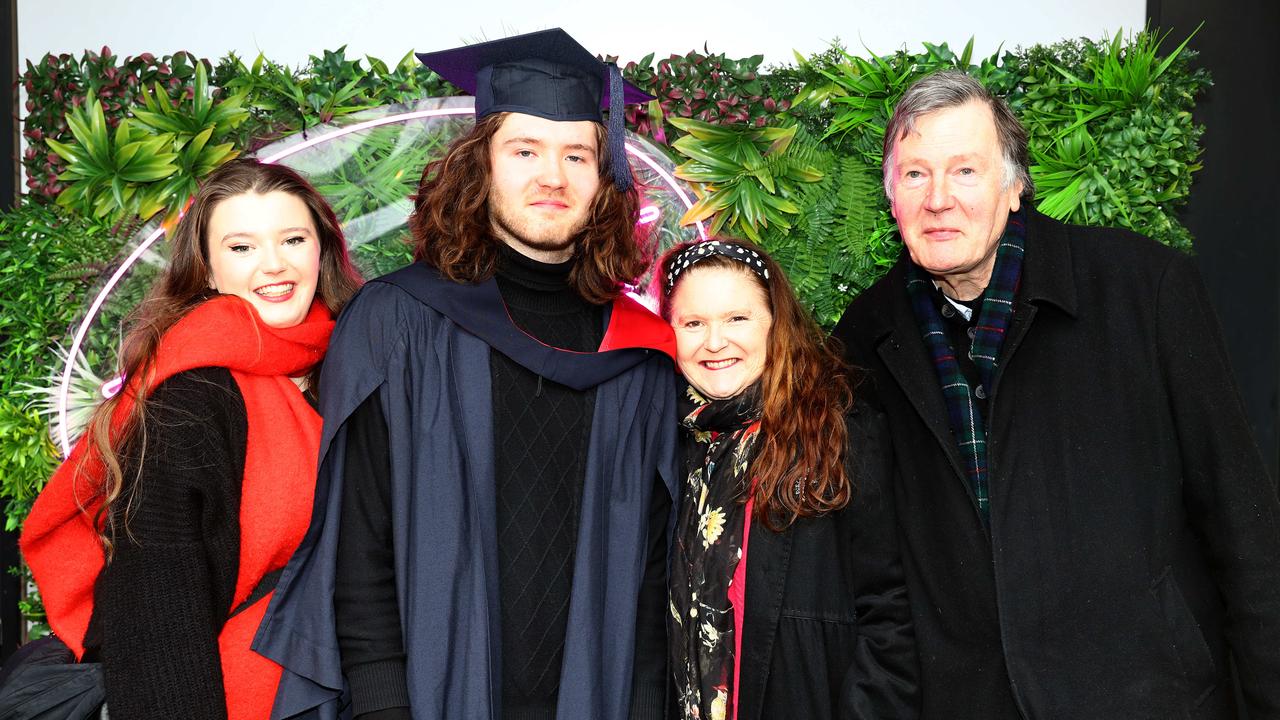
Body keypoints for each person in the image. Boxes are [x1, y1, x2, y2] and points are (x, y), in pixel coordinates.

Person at [252, 29, 679, 720]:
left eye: (577, 153)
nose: (553, 175)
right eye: (525, 150)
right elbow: (358, 548)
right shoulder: (399, 325)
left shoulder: (639, 357)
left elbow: (652, 577)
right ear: (481, 163)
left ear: (605, 178)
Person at [832, 69, 1280, 719]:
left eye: (965, 171)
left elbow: (1245, 531)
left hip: (1148, 698)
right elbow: (879, 584)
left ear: (1014, 187)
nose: (938, 199)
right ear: (891, 196)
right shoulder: (865, 340)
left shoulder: (1143, 292)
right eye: (915, 174)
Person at [18, 158, 364, 720]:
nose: (274, 265)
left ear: (322, 248)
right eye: (242, 247)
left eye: (293, 238)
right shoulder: (190, 398)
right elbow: (158, 611)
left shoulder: (361, 360)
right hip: (250, 696)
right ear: (206, 270)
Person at [659, 238, 918, 720]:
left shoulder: (839, 432)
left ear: (775, 324)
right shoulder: (662, 444)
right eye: (694, 323)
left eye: (737, 319)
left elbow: (893, 613)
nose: (714, 342)